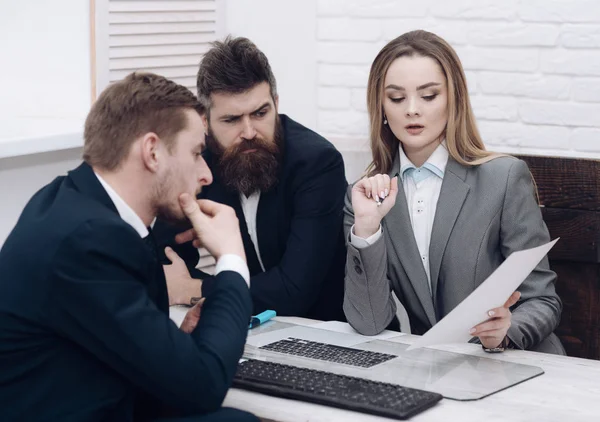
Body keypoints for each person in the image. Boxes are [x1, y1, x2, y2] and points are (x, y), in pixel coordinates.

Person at [0, 72, 258, 421]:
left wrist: (167, 344)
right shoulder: (87, 240)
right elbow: (204, 387)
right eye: (197, 153)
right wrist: (231, 258)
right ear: (152, 152)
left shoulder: (69, 201)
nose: (206, 175)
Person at [343, 30, 565, 354]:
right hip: (438, 370)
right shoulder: (364, 198)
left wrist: (506, 330)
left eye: (429, 95)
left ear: (453, 99)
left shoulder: (503, 179)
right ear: (382, 107)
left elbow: (543, 300)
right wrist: (366, 230)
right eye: (396, 97)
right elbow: (369, 322)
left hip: (517, 361)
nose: (412, 110)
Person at [156, 36, 347, 322]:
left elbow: (294, 292)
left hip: (327, 335)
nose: (248, 132)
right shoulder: (197, 161)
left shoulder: (317, 163)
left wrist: (192, 288)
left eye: (260, 113)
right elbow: (162, 263)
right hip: (248, 331)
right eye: (232, 120)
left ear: (276, 104)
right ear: (205, 120)